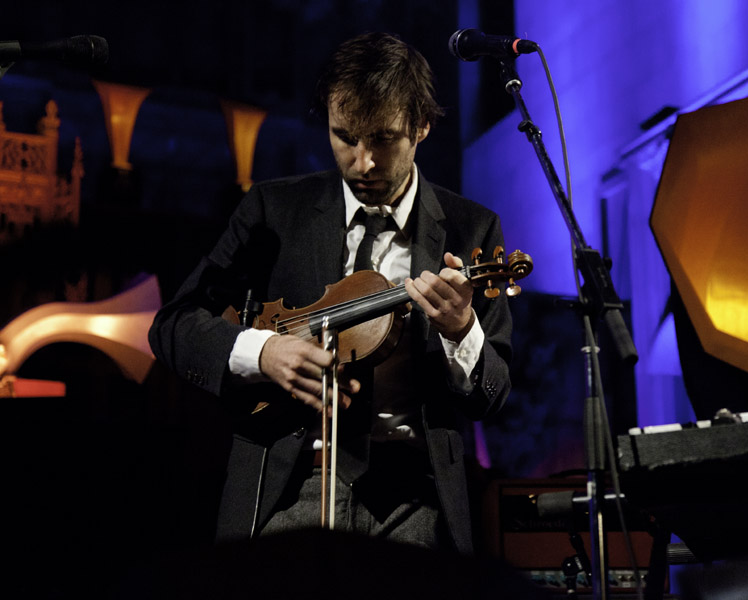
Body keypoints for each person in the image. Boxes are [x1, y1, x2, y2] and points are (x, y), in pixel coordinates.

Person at [148, 32, 512, 554]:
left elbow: (492, 395)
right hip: (288, 490)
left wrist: (461, 331)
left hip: (414, 502)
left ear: (422, 127)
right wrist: (263, 351)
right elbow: (173, 325)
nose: (362, 162)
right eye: (344, 136)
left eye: (383, 139)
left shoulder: (470, 229)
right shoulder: (273, 211)